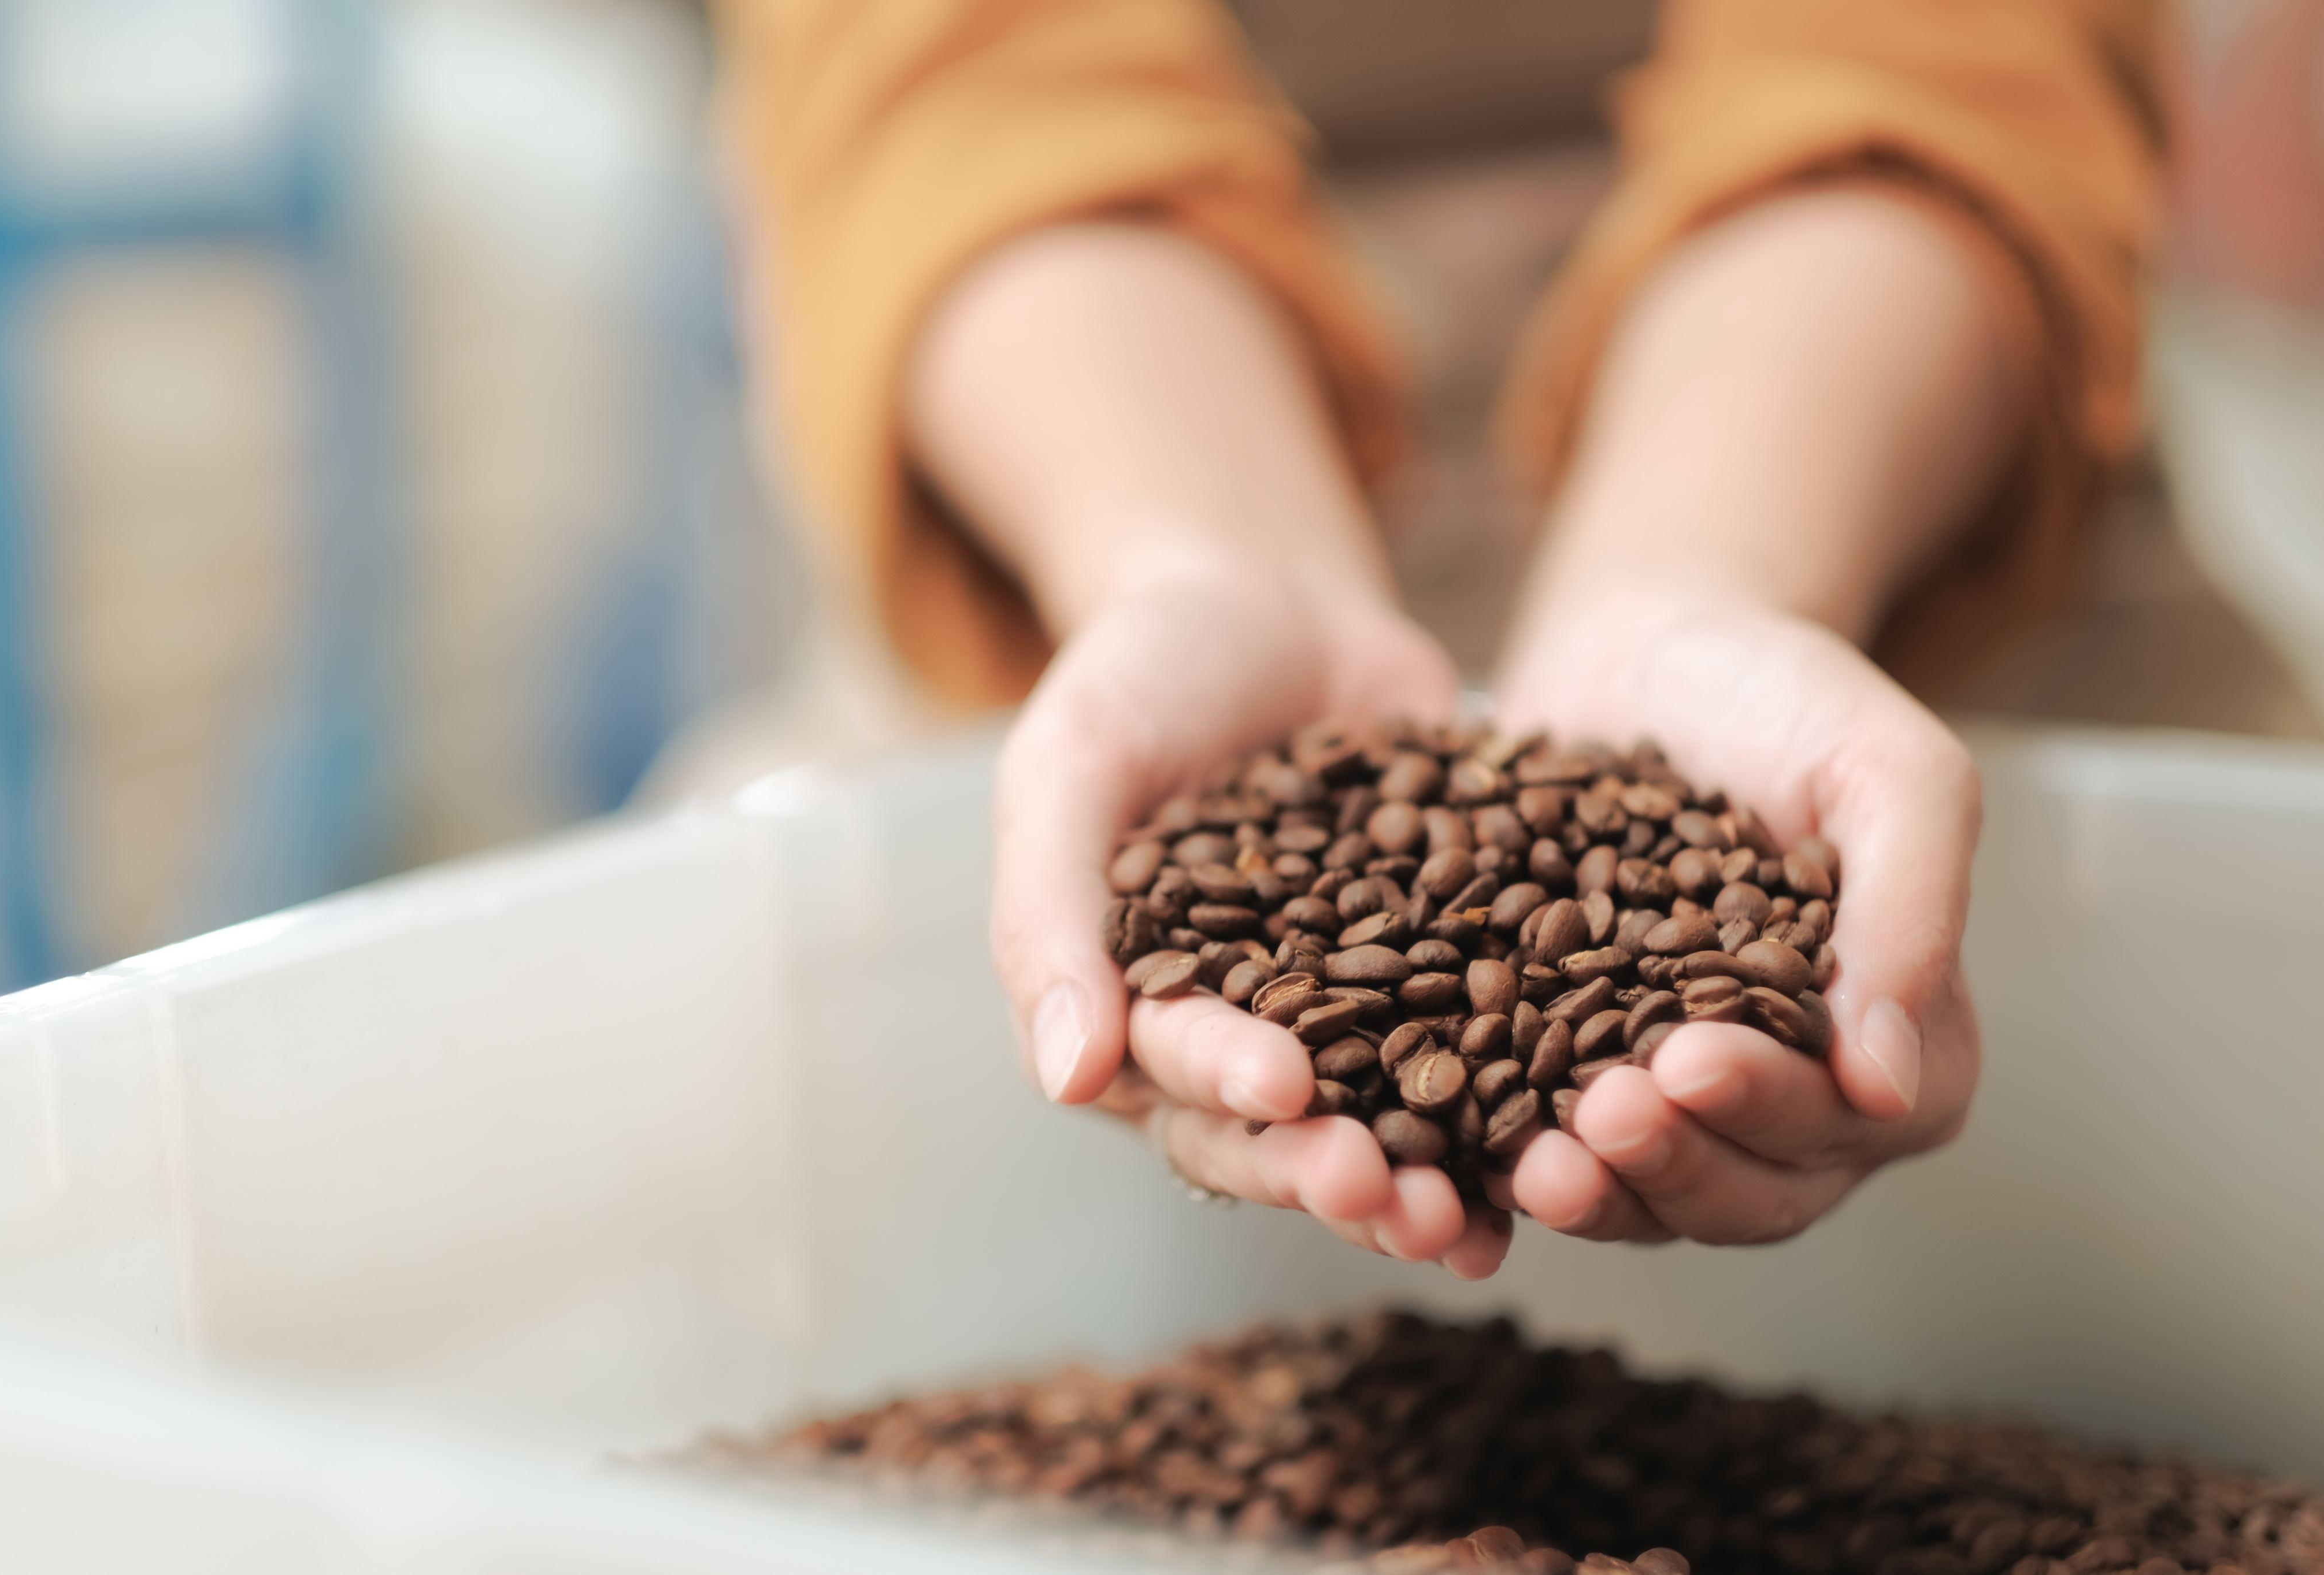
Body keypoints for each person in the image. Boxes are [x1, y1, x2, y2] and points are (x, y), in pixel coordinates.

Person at [712, 0, 2161, 1277]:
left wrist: (1712, 569)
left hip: (1893, 429)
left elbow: (1931, 59)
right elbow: (962, 82)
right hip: (1073, 440)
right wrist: (1189, 559)